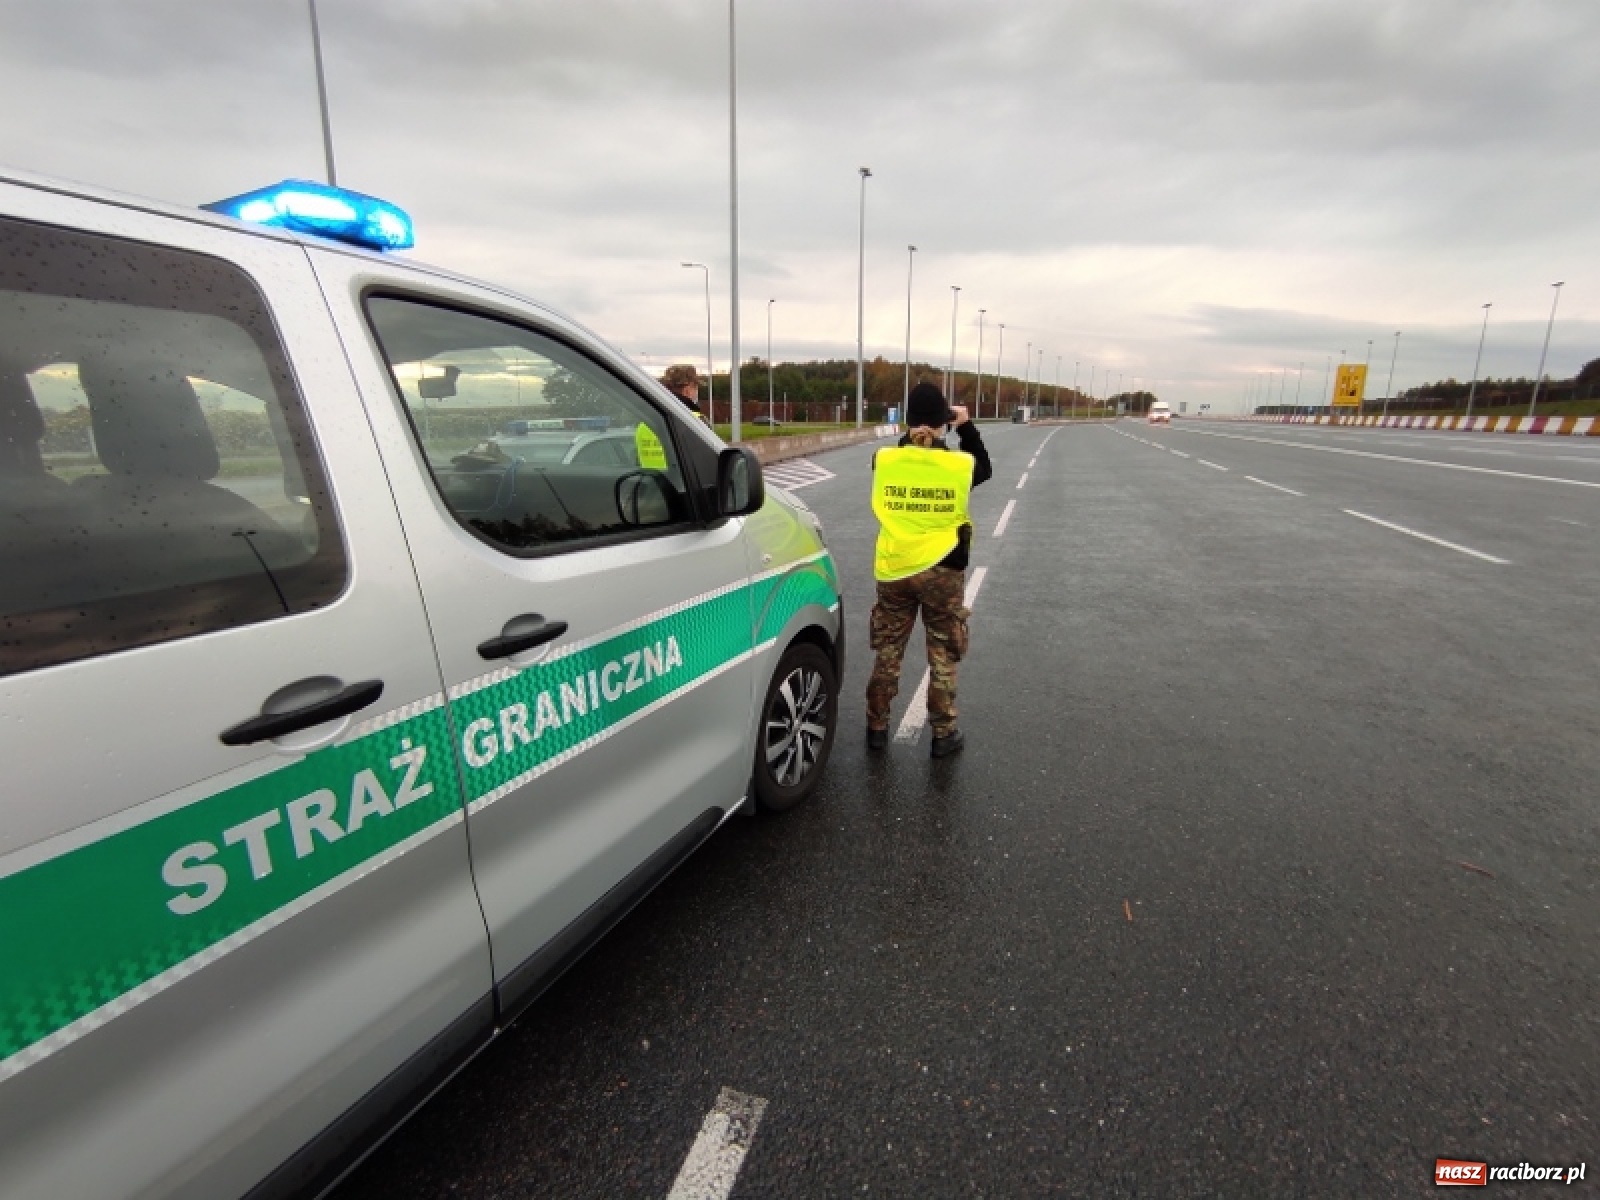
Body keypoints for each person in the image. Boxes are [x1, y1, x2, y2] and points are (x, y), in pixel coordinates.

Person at [866, 380, 992, 758]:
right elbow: (984, 467)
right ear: (943, 422)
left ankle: (876, 727)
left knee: (888, 649)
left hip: (895, 568)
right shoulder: (958, 466)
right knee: (942, 651)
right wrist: (965, 426)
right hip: (943, 568)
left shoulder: (884, 459)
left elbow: (906, 456)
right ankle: (943, 734)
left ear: (907, 421)